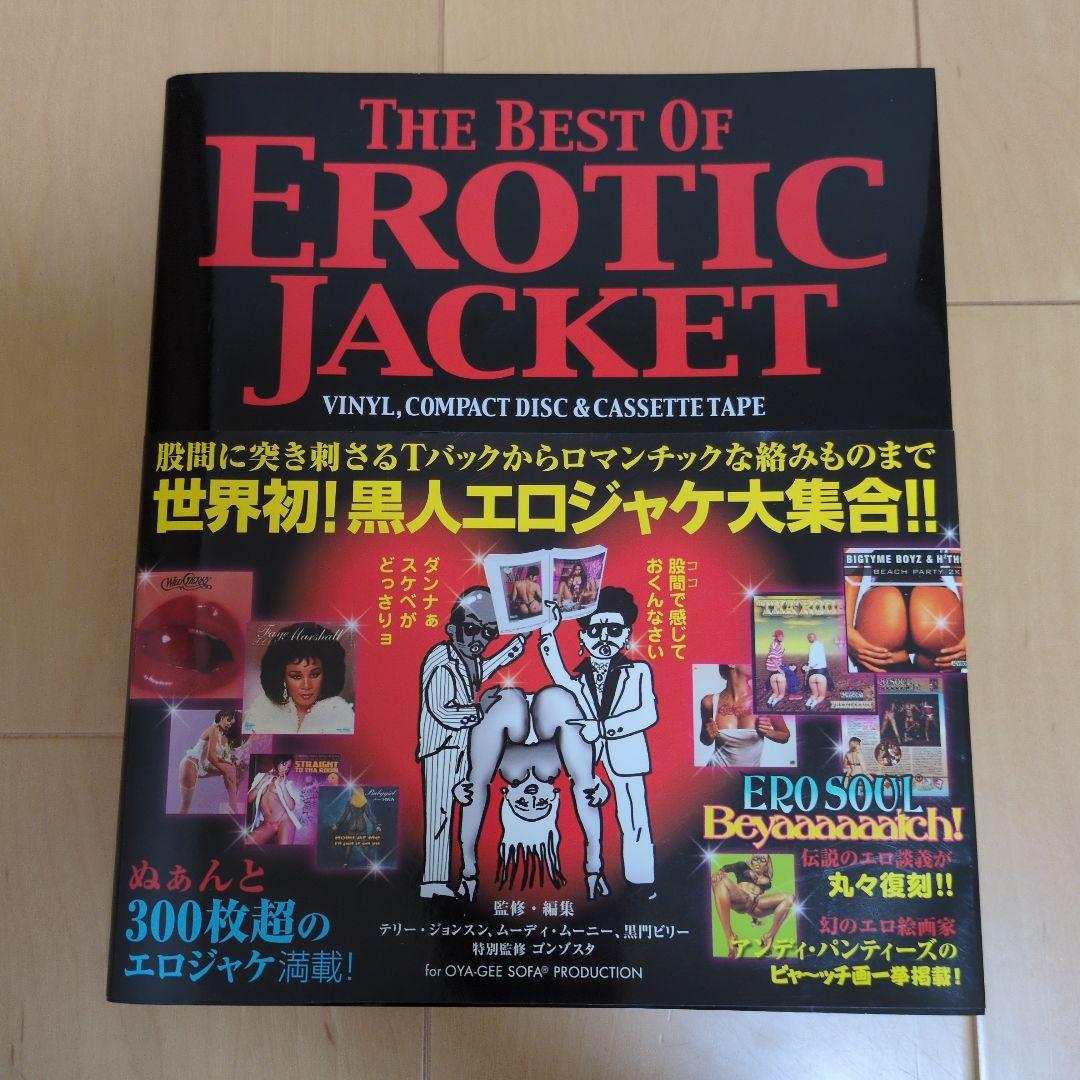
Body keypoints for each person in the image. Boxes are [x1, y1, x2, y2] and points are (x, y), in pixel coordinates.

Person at [538, 587, 658, 898]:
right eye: (595, 631)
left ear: (627, 634)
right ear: (583, 637)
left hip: (626, 754)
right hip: (588, 756)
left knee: (633, 817)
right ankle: (595, 875)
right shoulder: (579, 679)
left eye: (614, 630)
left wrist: (602, 729)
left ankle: (640, 882)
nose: (604, 638)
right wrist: (548, 633)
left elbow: (647, 714)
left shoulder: (639, 671)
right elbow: (559, 676)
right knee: (588, 815)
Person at [416, 586, 528, 899]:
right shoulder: (442, 661)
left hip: (459, 747)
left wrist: (517, 644)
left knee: (457, 804)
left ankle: (444, 880)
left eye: (489, 632)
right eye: (471, 629)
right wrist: (480, 709)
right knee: (439, 813)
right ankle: (434, 883)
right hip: (441, 747)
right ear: (452, 629)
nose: (480, 639)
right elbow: (442, 710)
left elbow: (484, 668)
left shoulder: (467, 657)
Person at [245, 622, 353, 734]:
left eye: (314, 675)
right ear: (281, 676)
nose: (306, 685)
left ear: (327, 674)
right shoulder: (262, 710)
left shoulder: (339, 713)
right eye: (296, 676)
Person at [699, 664, 790, 767]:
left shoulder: (763, 701)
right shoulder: (709, 702)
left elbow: (785, 735)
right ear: (731, 663)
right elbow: (705, 741)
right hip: (716, 774)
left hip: (747, 776)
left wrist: (769, 732)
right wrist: (708, 735)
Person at [710, 854, 794, 957]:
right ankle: (730, 936)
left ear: (767, 865)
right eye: (756, 859)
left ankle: (769, 936)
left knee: (789, 898)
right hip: (741, 899)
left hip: (757, 906)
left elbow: (758, 895)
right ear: (751, 861)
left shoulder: (767, 879)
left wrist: (755, 920)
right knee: (719, 880)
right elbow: (726, 868)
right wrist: (719, 872)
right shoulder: (742, 866)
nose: (758, 861)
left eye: (762, 860)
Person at [177, 708, 245, 814]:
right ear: (222, 717)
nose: (229, 724)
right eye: (228, 720)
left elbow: (225, 755)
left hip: (204, 766)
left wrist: (234, 762)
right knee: (185, 805)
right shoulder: (214, 729)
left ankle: (233, 808)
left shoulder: (225, 737)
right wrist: (225, 769)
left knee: (231, 769)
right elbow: (210, 756)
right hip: (191, 764)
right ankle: (233, 808)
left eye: (231, 723)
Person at [246, 755, 301, 844]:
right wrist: (261, 782)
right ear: (277, 762)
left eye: (288, 767)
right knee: (247, 843)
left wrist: (283, 786)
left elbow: (291, 807)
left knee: (284, 851)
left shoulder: (286, 783)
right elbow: (249, 799)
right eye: (284, 764)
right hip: (268, 824)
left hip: (284, 821)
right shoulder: (260, 776)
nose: (286, 769)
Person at [803, 632, 832, 710]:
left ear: (815, 637)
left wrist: (809, 667)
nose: (809, 639)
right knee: (821, 696)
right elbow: (816, 660)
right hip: (820, 673)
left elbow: (815, 660)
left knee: (814, 694)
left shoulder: (815, 646)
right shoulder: (818, 645)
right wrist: (809, 666)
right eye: (808, 637)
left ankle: (808, 703)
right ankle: (813, 704)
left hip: (813, 674)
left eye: (811, 637)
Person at [764, 630, 788, 706]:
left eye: (782, 636)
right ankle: (774, 701)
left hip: (772, 666)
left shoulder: (776, 644)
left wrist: (781, 653)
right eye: (779, 636)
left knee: (772, 677)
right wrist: (779, 669)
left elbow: (776, 655)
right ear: (776, 637)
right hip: (773, 666)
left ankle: (770, 701)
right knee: (781, 693)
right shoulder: (776, 645)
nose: (781, 637)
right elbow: (773, 658)